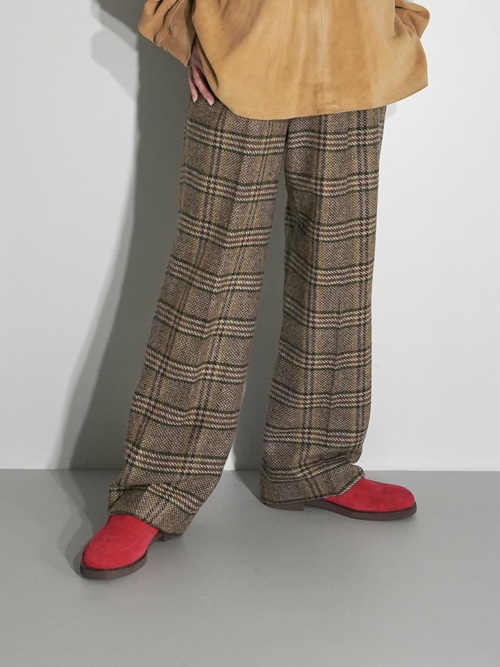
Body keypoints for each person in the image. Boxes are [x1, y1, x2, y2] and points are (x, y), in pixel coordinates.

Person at [80, 0, 431, 580]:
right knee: (208, 283)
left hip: (354, 63)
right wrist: (181, 24)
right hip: (240, 61)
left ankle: (314, 463)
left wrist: (393, 22)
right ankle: (155, 491)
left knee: (337, 277)